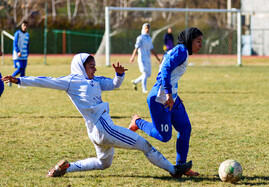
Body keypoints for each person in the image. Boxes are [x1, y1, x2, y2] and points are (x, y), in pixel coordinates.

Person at [2, 53, 192, 178]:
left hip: (96, 132)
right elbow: (46, 81)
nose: (95, 69)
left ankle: (67, 167)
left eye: (94, 66)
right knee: (144, 145)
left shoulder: (96, 81)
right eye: (91, 66)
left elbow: (115, 85)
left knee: (103, 163)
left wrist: (118, 75)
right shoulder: (72, 81)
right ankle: (174, 170)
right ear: (80, 67)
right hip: (104, 128)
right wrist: (20, 80)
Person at [128, 27, 203, 177]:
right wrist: (169, 94)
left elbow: (171, 74)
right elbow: (166, 69)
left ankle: (181, 166)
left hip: (171, 98)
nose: (200, 45)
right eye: (198, 41)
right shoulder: (181, 50)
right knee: (164, 137)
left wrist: (174, 94)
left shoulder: (182, 51)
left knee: (185, 128)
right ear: (190, 40)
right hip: (161, 99)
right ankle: (138, 122)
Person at [130, 23, 161, 93]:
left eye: (148, 28)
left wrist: (158, 58)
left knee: (148, 74)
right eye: (146, 28)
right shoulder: (140, 38)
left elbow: (152, 49)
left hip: (148, 58)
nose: (147, 30)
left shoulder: (149, 38)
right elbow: (136, 48)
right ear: (143, 29)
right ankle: (144, 89)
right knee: (144, 73)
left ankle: (135, 82)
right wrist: (133, 57)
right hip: (141, 58)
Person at [10, 20, 30, 87]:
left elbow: (27, 45)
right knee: (20, 68)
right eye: (24, 25)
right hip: (18, 55)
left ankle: (21, 84)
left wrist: (27, 52)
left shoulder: (27, 35)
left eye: (26, 26)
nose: (25, 27)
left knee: (23, 69)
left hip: (24, 55)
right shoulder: (17, 33)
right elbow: (15, 43)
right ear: (21, 26)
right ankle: (10, 78)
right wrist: (18, 51)